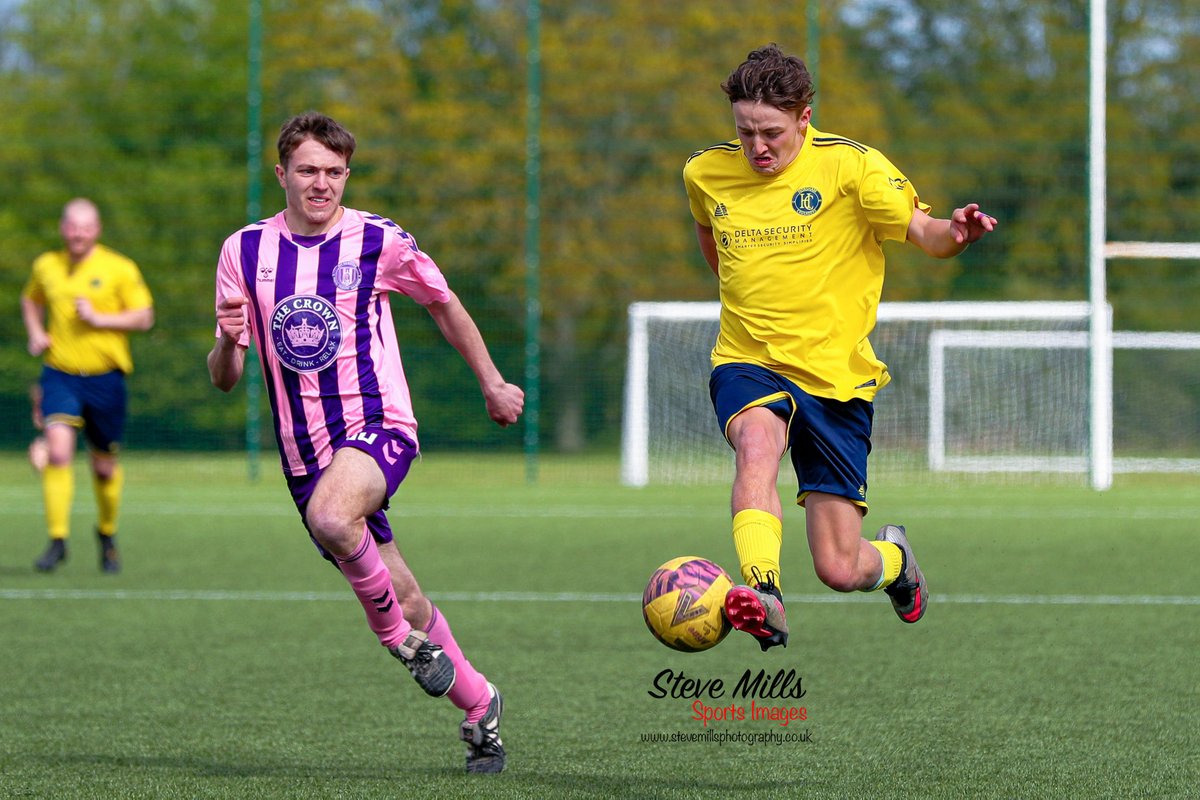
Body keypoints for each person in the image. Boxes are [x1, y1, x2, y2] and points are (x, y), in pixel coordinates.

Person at [207, 111, 523, 774]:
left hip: (378, 426)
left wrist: (492, 382)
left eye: (334, 171)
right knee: (405, 596)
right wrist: (228, 342)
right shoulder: (244, 251)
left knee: (334, 520)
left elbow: (443, 302)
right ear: (282, 174)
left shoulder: (380, 240)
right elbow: (225, 376)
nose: (321, 183)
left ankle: (397, 642)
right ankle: (481, 705)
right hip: (304, 455)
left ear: (347, 175)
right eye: (307, 170)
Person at [684, 45, 997, 650]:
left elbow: (925, 233)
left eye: (771, 133)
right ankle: (764, 592)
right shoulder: (704, 172)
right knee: (756, 446)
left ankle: (896, 563)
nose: (757, 147)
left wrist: (957, 234)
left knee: (839, 566)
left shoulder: (853, 167)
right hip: (747, 359)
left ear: (804, 118)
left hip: (835, 380)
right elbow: (710, 237)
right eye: (745, 132)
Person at [21, 198, 155, 574]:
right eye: (72, 226)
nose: (77, 234)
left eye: (85, 227)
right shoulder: (46, 265)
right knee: (58, 452)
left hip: (106, 378)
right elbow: (30, 300)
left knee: (104, 468)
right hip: (60, 373)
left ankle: (107, 534)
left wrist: (99, 318)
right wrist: (35, 332)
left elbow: (144, 317)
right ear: (62, 228)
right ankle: (57, 539)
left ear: (96, 230)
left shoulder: (119, 267)